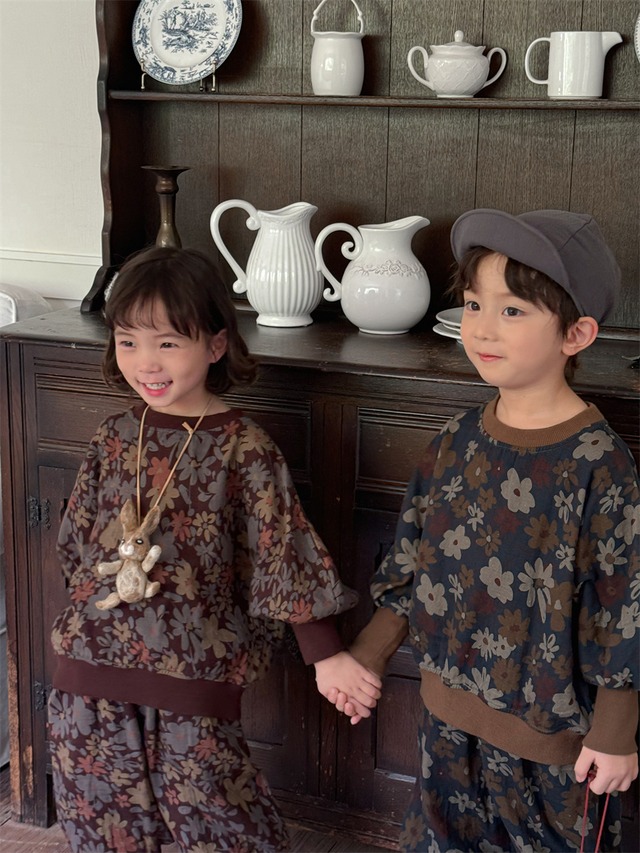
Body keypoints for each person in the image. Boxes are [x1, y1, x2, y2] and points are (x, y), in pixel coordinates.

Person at [47, 246, 381, 853]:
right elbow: (76, 543)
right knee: (101, 826)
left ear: (216, 344)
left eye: (168, 342)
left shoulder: (244, 447)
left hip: (193, 674)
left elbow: (282, 549)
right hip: (88, 667)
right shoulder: (114, 436)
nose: (146, 362)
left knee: (223, 823)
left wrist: (325, 655)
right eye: (128, 341)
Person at [328, 209, 639, 851]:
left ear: (576, 334)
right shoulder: (456, 439)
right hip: (445, 721)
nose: (482, 328)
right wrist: (369, 653)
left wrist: (616, 731)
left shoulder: (599, 464)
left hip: (553, 745)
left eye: (512, 310)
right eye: (473, 304)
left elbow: (623, 607)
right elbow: (411, 560)